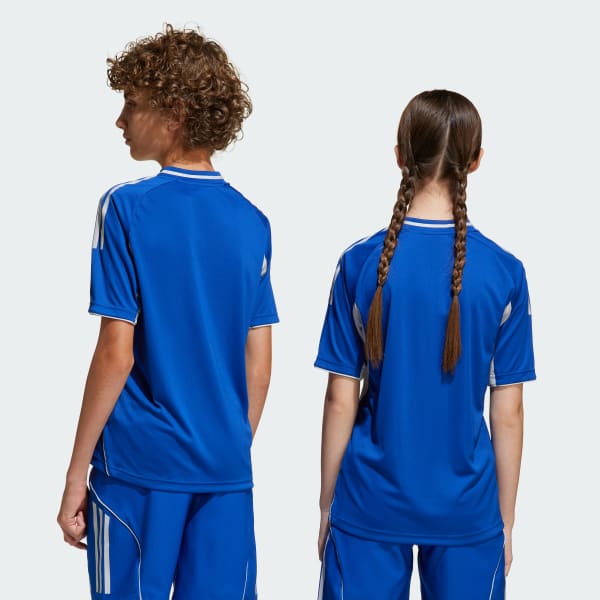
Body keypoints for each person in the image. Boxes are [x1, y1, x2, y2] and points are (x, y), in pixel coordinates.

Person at [57, 24, 277, 599]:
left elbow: (116, 353)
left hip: (138, 469)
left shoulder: (126, 208)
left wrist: (76, 473)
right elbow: (258, 362)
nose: (120, 120)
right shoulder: (253, 222)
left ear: (174, 112)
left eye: (132, 104)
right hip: (225, 472)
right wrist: (225, 447)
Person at [315, 90, 535, 599]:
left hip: (368, 502)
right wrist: (504, 521)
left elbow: (340, 397)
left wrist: (327, 505)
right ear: (475, 160)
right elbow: (508, 412)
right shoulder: (504, 272)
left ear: (400, 155)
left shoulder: (359, 263)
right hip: (467, 509)